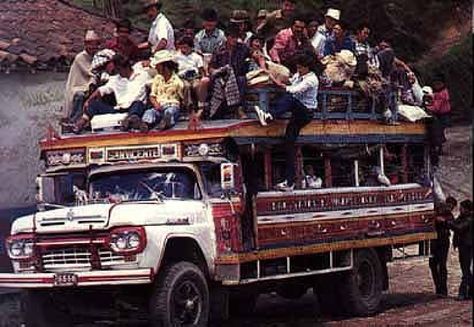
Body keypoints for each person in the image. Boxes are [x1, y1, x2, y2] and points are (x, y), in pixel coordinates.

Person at [254, 53, 318, 191]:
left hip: (306, 112)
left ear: (307, 67)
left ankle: (269, 116)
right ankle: (290, 182)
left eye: (301, 68)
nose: (299, 70)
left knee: (290, 98)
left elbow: (294, 90)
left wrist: (280, 85)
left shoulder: (312, 80)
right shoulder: (299, 75)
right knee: (289, 143)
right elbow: (290, 82)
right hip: (297, 113)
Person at [73, 54, 151, 133]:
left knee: (138, 104)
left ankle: (132, 120)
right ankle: (81, 123)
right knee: (94, 104)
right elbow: (101, 90)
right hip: (119, 108)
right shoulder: (115, 79)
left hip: (135, 107)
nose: (118, 72)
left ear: (126, 67)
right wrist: (88, 101)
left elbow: (152, 83)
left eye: (119, 69)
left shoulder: (142, 75)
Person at [208, 24, 250, 119]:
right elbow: (211, 67)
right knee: (218, 82)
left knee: (241, 80)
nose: (235, 40)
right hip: (222, 75)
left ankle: (239, 108)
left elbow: (253, 56)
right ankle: (218, 110)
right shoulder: (219, 49)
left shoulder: (243, 48)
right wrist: (216, 71)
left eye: (236, 37)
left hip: (237, 74)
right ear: (227, 37)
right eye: (232, 37)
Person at [142, 50, 185, 131]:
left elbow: (182, 98)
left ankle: (166, 122)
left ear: (164, 66)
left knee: (170, 111)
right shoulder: (157, 78)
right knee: (149, 112)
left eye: (158, 66)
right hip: (159, 106)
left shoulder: (177, 81)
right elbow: (152, 95)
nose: (156, 68)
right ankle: (145, 124)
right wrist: (156, 104)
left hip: (172, 105)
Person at [64, 30, 101, 124]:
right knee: (80, 96)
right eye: (90, 44)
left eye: (95, 44)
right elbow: (91, 72)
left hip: (92, 86)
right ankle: (74, 121)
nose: (93, 47)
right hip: (79, 87)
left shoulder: (98, 56)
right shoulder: (80, 57)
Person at [175, 36, 209, 115]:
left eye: (185, 47)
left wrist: (202, 76)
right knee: (186, 86)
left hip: (194, 76)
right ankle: (188, 107)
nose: (183, 49)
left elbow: (201, 70)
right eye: (182, 47)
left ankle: (201, 107)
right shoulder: (176, 57)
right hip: (182, 77)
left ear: (190, 47)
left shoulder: (196, 57)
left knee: (196, 85)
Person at [447, 199, 473, 300]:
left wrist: (446, 221)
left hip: (468, 246)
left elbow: (459, 228)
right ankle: (470, 292)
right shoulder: (463, 217)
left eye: (462, 208)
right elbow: (455, 223)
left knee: (466, 270)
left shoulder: (470, 218)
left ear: (467, 209)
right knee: (466, 270)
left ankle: (462, 293)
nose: (460, 210)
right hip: (463, 246)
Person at [429, 200, 456, 297]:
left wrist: (444, 221)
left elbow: (453, 225)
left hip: (443, 241)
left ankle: (443, 290)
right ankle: (438, 287)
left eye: (451, 207)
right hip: (434, 241)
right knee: (432, 264)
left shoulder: (449, 215)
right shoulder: (437, 211)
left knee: (442, 265)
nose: (449, 208)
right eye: (449, 206)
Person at [426, 74, 452, 155]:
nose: (436, 86)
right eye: (435, 84)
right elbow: (434, 98)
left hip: (442, 115)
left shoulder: (442, 94)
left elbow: (436, 108)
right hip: (443, 114)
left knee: (438, 131)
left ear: (442, 84)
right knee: (440, 131)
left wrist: (426, 107)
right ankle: (439, 148)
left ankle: (439, 149)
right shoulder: (441, 92)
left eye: (438, 84)